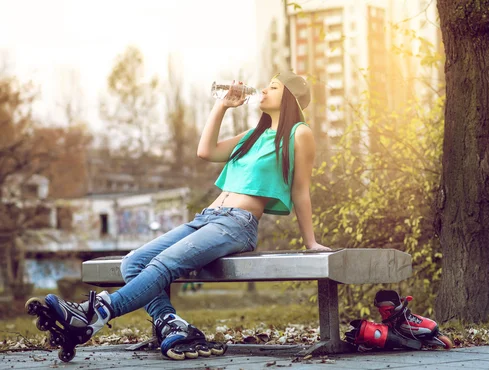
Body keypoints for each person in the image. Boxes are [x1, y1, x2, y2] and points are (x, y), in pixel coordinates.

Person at [30, 71, 331, 361]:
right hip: (207, 218)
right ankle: (171, 323)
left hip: (236, 224)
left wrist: (311, 241)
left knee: (165, 264)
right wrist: (221, 105)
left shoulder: (299, 134)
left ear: (290, 97)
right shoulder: (254, 135)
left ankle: (95, 312)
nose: (264, 90)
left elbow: (301, 190)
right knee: (133, 262)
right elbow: (206, 151)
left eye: (274, 87)